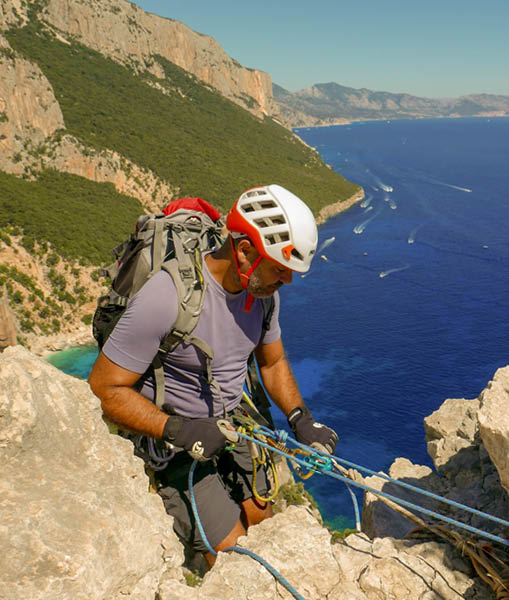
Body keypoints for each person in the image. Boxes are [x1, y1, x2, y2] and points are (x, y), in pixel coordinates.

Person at [88, 184, 338, 566]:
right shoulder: (167, 295)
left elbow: (271, 364)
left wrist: (300, 418)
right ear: (243, 251)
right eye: (280, 269)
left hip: (230, 425)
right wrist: (178, 430)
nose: (286, 281)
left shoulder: (263, 297)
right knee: (236, 558)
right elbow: (104, 389)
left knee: (263, 523)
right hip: (175, 442)